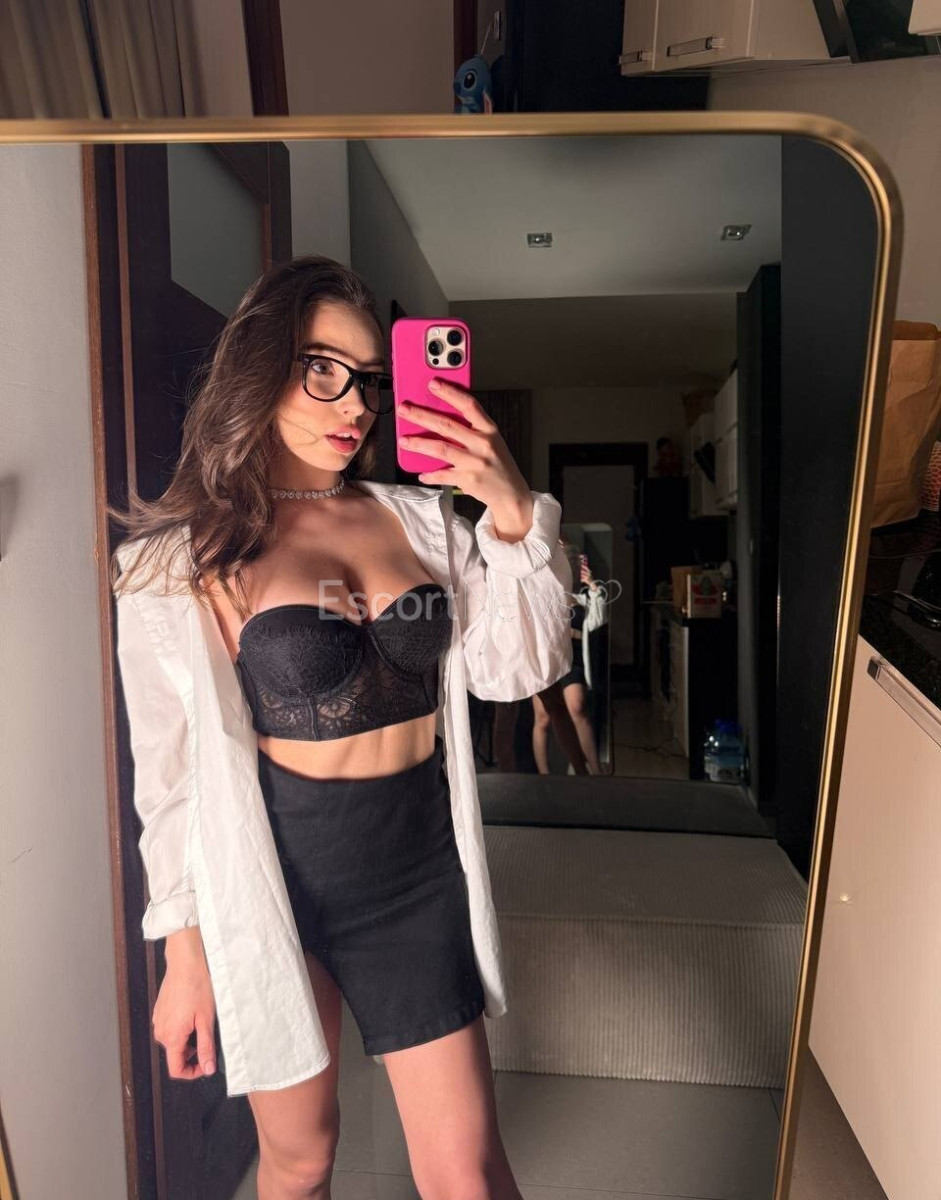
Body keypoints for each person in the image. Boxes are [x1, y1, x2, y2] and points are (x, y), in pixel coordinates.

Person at [108, 255, 573, 1199]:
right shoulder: (177, 561)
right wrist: (183, 952)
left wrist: (512, 510)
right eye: (322, 369)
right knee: (299, 1160)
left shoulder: (424, 523)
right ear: (259, 369)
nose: (354, 403)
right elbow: (170, 770)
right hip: (275, 879)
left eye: (368, 378)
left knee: (466, 1173)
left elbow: (514, 672)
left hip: (414, 869)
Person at [532, 541, 607, 776]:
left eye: (573, 563)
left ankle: (595, 771)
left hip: (573, 661)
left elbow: (598, 619)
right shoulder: (545, 592)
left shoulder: (582, 598)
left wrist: (592, 584)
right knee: (542, 718)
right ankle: (544, 774)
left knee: (577, 707)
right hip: (547, 661)